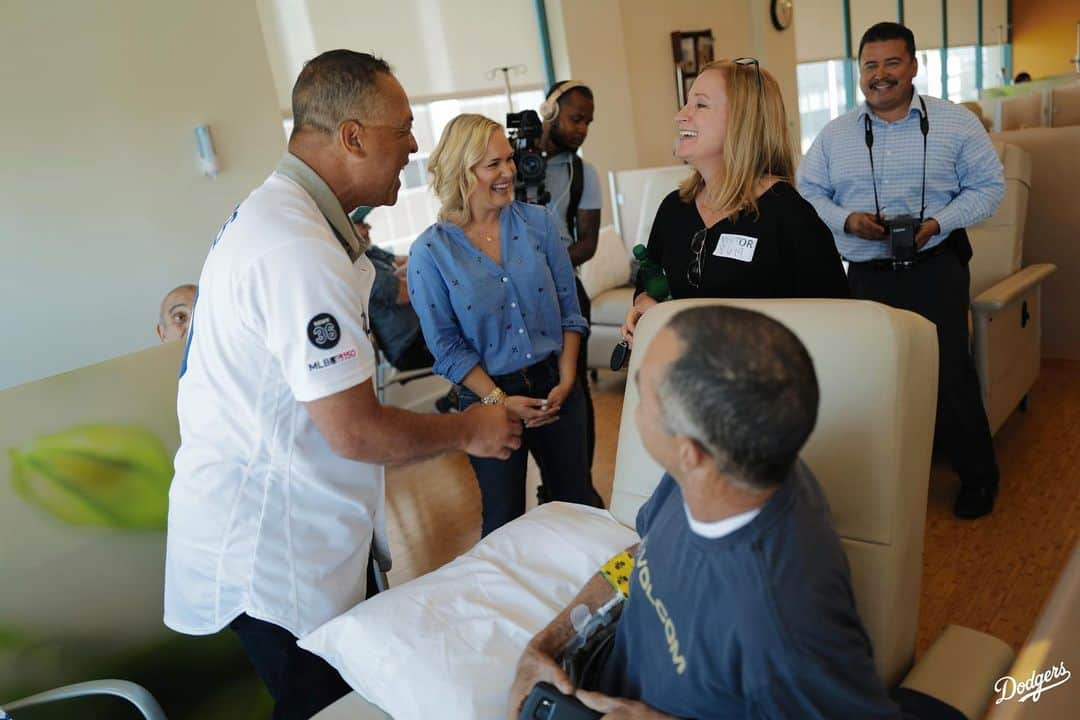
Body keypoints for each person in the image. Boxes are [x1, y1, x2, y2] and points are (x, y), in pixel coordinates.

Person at [164, 51, 521, 720]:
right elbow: (355, 430)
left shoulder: (286, 220)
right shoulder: (295, 247)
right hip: (272, 550)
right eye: (404, 128)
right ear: (352, 136)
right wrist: (471, 427)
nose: (416, 145)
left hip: (294, 529)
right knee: (328, 709)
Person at [508, 306, 902, 720]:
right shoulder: (721, 466)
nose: (632, 402)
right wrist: (546, 645)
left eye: (642, 392)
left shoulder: (787, 620)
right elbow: (640, 559)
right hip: (595, 682)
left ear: (689, 452)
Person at [798, 22, 1005, 519]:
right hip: (866, 271)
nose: (881, 75)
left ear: (913, 66)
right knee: (871, 376)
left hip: (936, 264)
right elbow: (808, 192)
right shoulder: (835, 134)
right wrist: (847, 220)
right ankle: (881, 477)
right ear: (859, 72)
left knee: (950, 373)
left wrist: (938, 223)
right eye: (870, 65)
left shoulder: (955, 123)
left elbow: (989, 188)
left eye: (892, 63)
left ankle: (978, 478)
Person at [409, 113, 603, 537]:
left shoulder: (539, 223)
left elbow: (571, 309)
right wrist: (499, 400)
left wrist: (568, 379)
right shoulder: (430, 253)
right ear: (463, 171)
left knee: (578, 506)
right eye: (493, 164)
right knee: (504, 521)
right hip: (486, 399)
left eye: (509, 160)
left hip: (557, 387)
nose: (509, 172)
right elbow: (446, 347)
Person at [620, 59, 848, 345]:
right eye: (686, 103)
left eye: (700, 105)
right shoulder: (674, 209)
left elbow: (836, 324)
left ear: (744, 120)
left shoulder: (790, 217)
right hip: (681, 381)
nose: (681, 115)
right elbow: (650, 283)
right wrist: (643, 304)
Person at [539, 80, 601, 476]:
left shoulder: (584, 173)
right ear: (550, 112)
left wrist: (549, 267)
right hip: (515, 296)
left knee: (574, 387)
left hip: (565, 290)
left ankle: (580, 479)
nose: (582, 129)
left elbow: (589, 243)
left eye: (588, 122)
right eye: (576, 118)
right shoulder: (508, 161)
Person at [351, 206, 432, 370]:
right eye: (361, 224)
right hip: (410, 348)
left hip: (421, 333)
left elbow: (410, 259)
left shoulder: (370, 254)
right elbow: (410, 292)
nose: (369, 227)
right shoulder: (363, 270)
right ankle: (490, 394)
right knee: (475, 341)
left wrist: (410, 271)